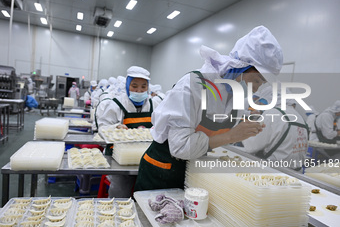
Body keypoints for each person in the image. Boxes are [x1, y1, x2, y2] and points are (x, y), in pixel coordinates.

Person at [134, 25, 283, 191]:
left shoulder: (235, 95)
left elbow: (221, 132)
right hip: (162, 170)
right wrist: (231, 135)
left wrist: (246, 128)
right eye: (256, 80)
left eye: (261, 83)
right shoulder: (193, 86)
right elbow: (180, 147)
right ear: (241, 66)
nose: (255, 89)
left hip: (194, 170)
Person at [95, 66, 160, 197]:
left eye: (143, 87)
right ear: (127, 85)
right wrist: (115, 128)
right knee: (121, 191)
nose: (139, 90)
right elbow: (102, 129)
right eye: (134, 86)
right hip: (119, 159)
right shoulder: (115, 105)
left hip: (145, 156)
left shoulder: (154, 105)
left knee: (147, 192)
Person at [241, 85, 309, 165]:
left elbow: (250, 146)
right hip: (296, 171)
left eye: (261, 102)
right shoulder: (299, 117)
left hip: (273, 170)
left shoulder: (272, 114)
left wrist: (243, 133)